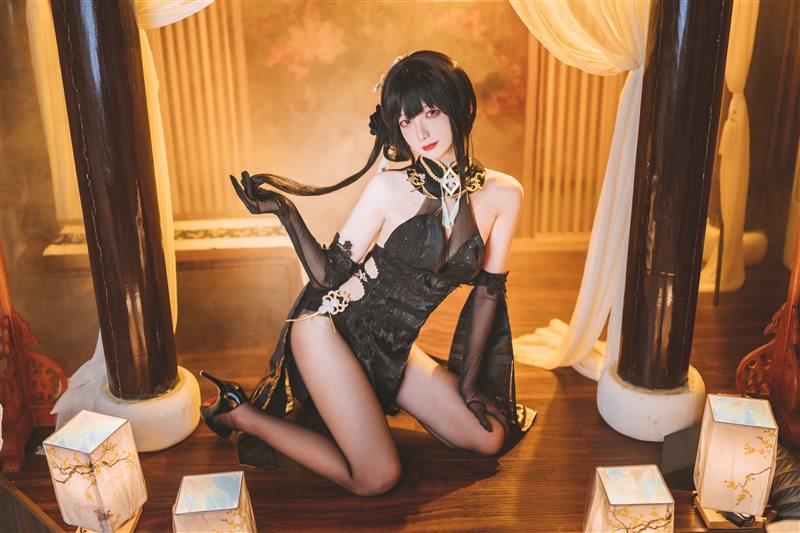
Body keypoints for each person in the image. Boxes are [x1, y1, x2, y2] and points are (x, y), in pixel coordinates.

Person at [199, 50, 534, 497]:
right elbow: (330, 276)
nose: (420, 133)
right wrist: (286, 212)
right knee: (376, 477)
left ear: (463, 107)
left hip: (392, 346)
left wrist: (472, 385)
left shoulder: (504, 194)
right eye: (406, 121)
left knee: (489, 436)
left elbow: (489, 292)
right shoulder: (387, 187)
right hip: (329, 328)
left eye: (431, 113)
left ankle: (371, 395)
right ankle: (239, 412)